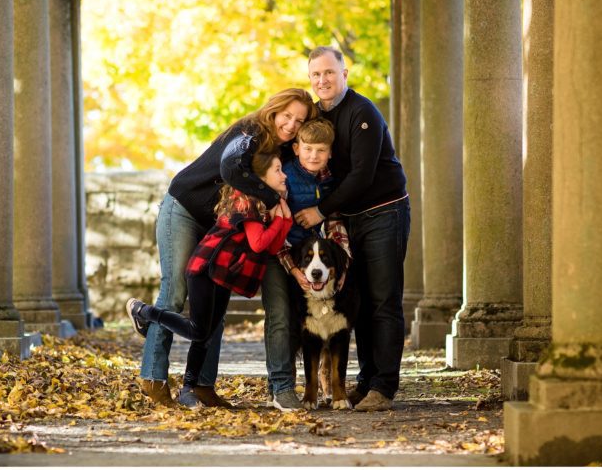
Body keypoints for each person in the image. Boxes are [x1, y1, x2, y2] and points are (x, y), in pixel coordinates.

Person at [137, 88, 316, 408]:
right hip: (184, 209)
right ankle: (153, 376)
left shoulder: (284, 153)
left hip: (218, 224)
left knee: (214, 308)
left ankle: (201, 385)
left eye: (299, 121)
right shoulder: (249, 132)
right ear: (274, 110)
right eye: (286, 115)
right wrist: (274, 200)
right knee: (175, 291)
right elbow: (231, 167)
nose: (290, 125)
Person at [127, 143, 294, 408]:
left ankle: (188, 389)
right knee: (198, 330)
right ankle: (144, 311)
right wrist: (282, 220)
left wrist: (283, 220)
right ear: (260, 177)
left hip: (224, 272)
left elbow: (272, 247)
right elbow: (259, 243)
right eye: (277, 170)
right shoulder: (245, 201)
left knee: (205, 335)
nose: (284, 175)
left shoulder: (265, 204)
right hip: (205, 269)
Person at [293, 46, 410, 412]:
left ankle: (383, 386)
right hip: (347, 221)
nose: (322, 80)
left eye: (329, 72)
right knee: (355, 302)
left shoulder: (363, 113)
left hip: (382, 213)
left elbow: (361, 175)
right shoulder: (316, 115)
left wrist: (319, 211)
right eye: (316, 75)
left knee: (383, 300)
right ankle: (364, 381)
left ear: (344, 74)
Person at [261, 117, 350, 410]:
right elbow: (277, 226)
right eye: (308, 149)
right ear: (296, 148)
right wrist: (295, 270)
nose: (314, 156)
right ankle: (281, 385)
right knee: (285, 319)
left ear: (330, 152)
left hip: (319, 260)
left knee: (329, 328)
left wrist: (344, 260)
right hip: (285, 254)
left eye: (321, 150)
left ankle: (329, 380)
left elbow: (335, 218)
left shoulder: (331, 179)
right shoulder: (284, 178)